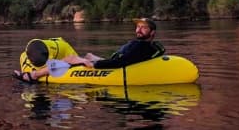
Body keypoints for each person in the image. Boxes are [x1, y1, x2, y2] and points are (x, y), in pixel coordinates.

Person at [12, 18, 165, 83]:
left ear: (152, 32)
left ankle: (33, 75)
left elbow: (121, 62)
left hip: (115, 67)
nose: (138, 30)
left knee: (70, 58)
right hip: (114, 62)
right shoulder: (153, 46)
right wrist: (94, 59)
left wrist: (94, 65)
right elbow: (125, 58)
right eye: (138, 27)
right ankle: (85, 59)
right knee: (88, 55)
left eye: (143, 28)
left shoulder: (140, 46)